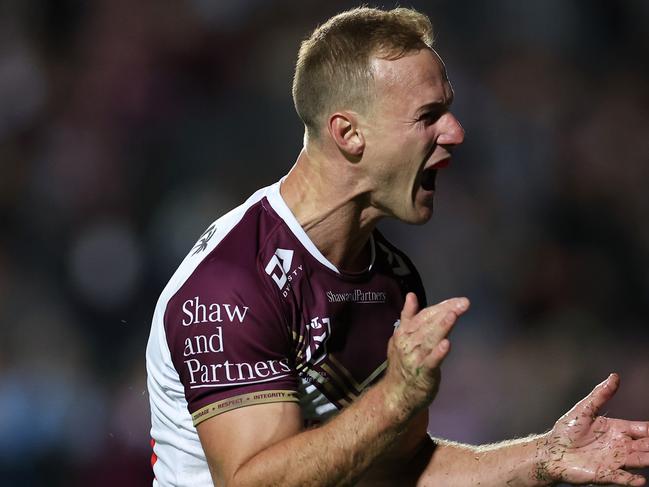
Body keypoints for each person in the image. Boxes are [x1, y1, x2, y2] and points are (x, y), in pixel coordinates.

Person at [146, 7, 649, 487]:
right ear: (348, 133)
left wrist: (544, 456)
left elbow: (399, 472)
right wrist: (392, 400)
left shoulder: (389, 277)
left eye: (448, 110)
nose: (455, 131)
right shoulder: (232, 284)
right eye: (428, 115)